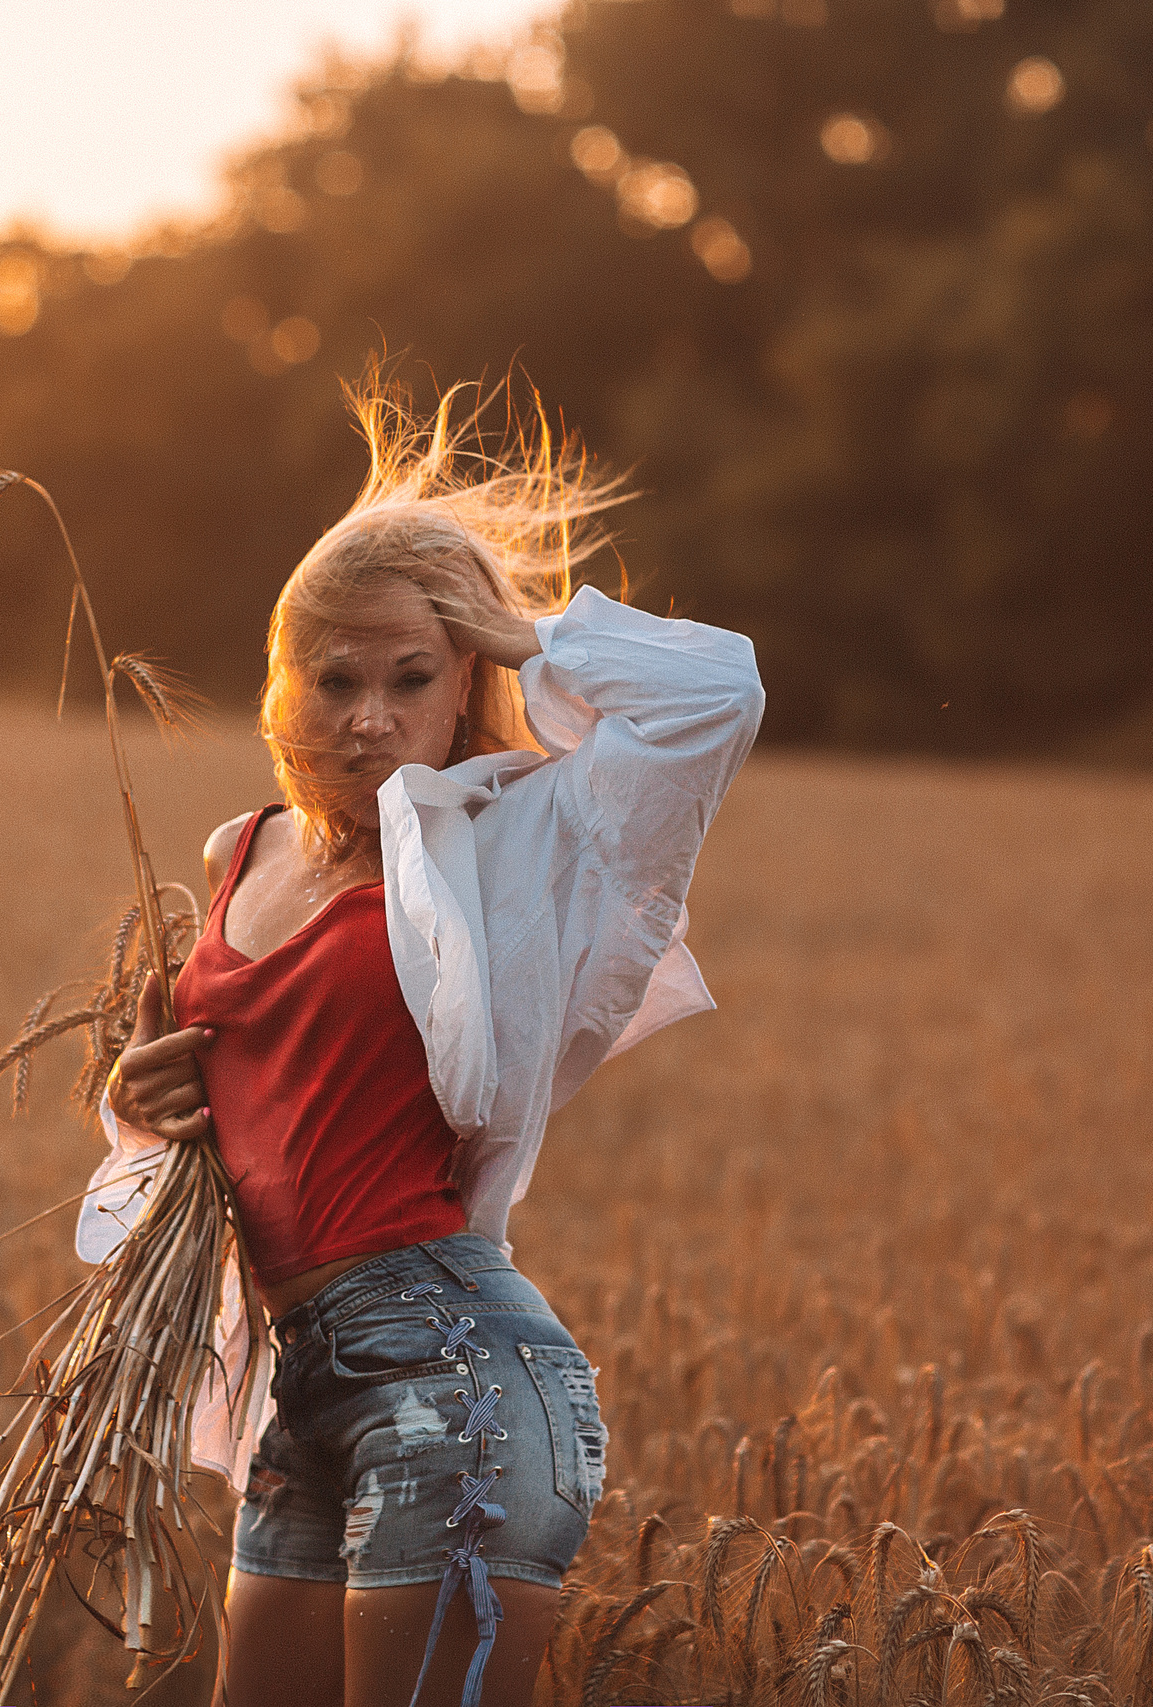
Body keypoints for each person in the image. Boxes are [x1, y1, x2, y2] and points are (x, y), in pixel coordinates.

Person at [86, 379, 764, 1707]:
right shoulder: (238, 854)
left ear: (464, 686)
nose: (371, 718)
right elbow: (245, 1126)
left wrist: (524, 635)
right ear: (284, 687)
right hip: (302, 1382)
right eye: (335, 680)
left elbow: (715, 696)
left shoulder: (516, 837)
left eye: (413, 679)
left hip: (455, 1374)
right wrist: (141, 1099)